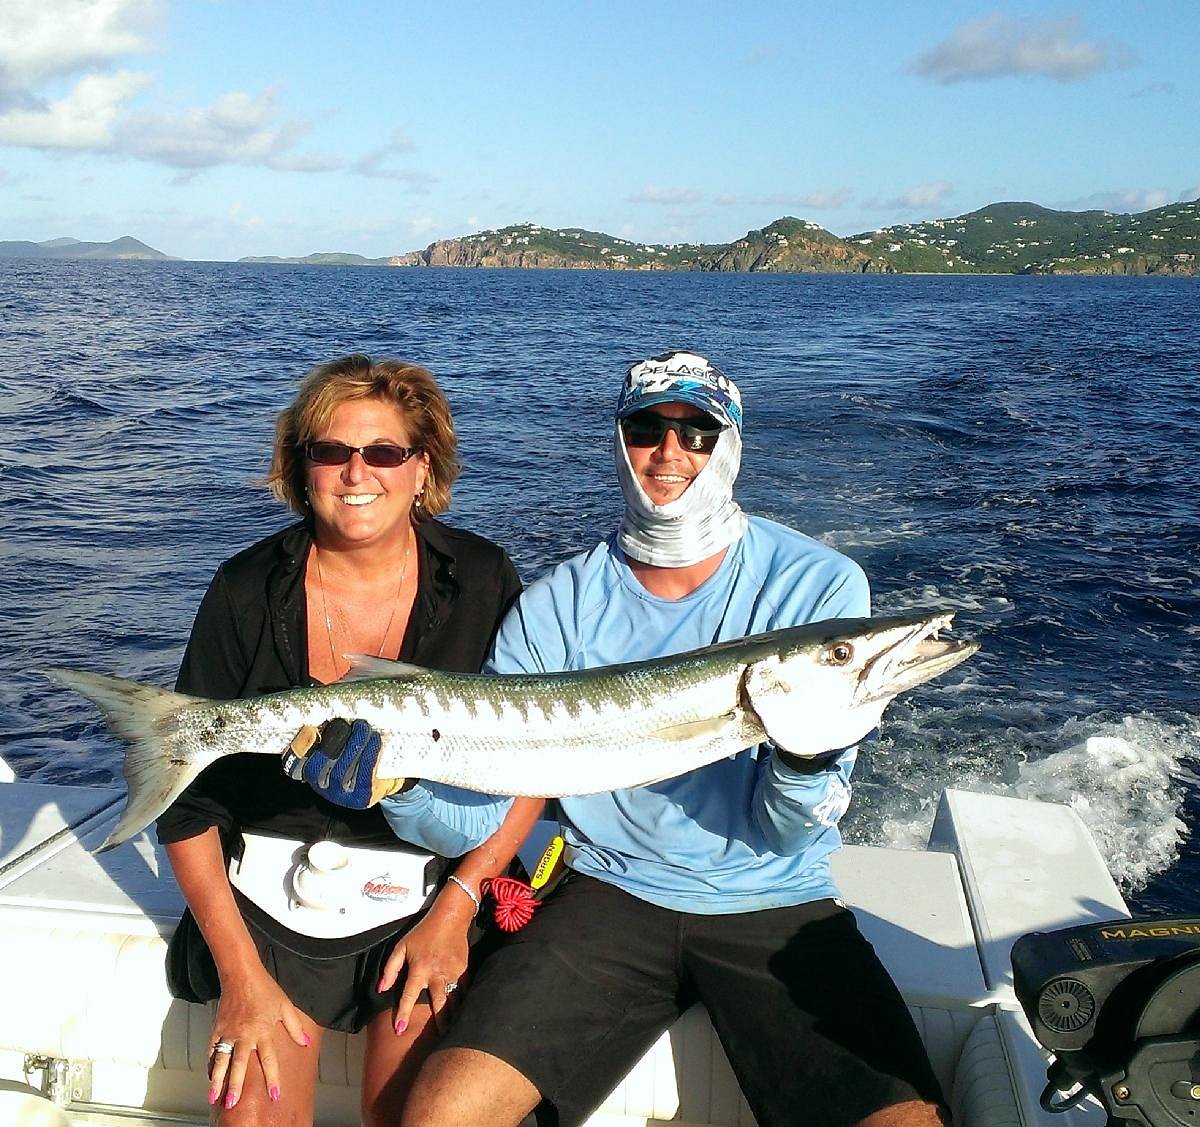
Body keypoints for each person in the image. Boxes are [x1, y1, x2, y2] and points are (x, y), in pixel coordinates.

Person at [314, 350, 948, 1127]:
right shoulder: (557, 605)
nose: (670, 452)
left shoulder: (820, 589)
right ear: (620, 441)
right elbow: (483, 817)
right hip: (607, 892)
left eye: (698, 432)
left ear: (731, 445)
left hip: (775, 899)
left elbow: (787, 832)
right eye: (647, 428)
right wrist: (402, 784)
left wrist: (805, 756)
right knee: (438, 1116)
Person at [155, 354, 542, 1126]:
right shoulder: (243, 587)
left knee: (421, 1114)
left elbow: (533, 754)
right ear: (301, 467)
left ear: (420, 466)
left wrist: (458, 907)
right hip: (264, 895)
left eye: (384, 452)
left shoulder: (484, 578)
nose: (355, 471)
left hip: (431, 884)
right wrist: (241, 976)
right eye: (330, 451)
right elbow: (185, 799)